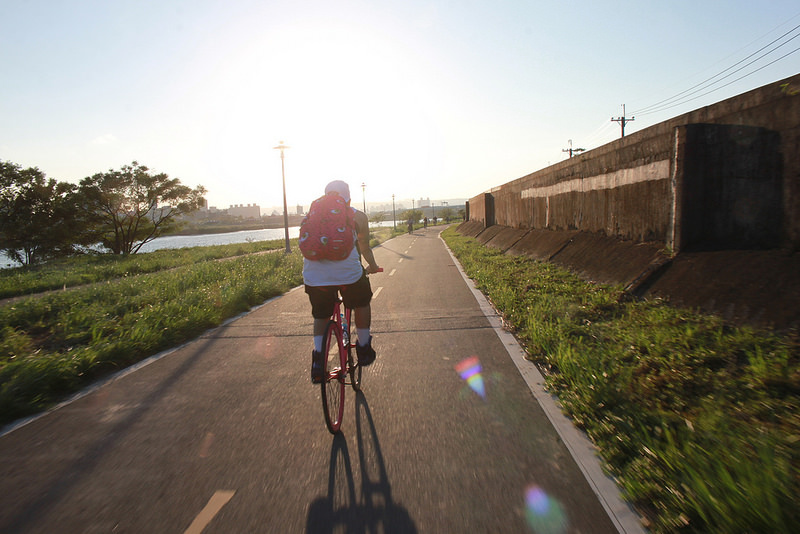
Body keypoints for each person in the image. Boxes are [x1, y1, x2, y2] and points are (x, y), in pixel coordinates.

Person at [303, 180, 381, 384]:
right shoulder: (358, 216)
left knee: (321, 314)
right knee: (362, 301)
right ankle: (363, 347)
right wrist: (371, 266)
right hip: (348, 275)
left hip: (314, 276)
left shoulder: (313, 212)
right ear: (349, 198)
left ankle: (319, 359)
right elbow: (364, 247)